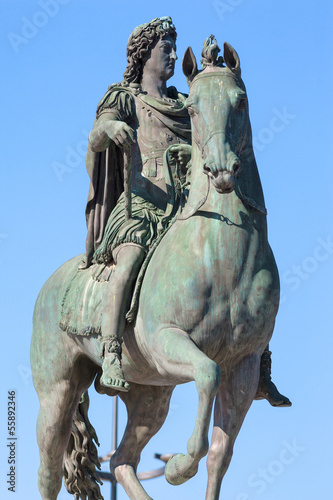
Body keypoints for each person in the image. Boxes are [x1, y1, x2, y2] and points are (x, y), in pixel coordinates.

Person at [81, 16, 291, 407]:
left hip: (185, 206)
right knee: (129, 260)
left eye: (176, 48)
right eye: (167, 48)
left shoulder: (184, 102)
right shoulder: (124, 99)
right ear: (145, 54)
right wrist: (109, 131)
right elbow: (96, 135)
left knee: (243, 259)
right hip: (141, 208)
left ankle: (258, 362)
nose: (175, 55)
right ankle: (111, 349)